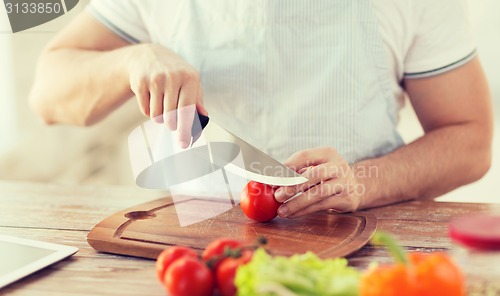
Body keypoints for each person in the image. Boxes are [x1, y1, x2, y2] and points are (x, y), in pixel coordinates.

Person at [30, 0, 493, 218]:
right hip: (192, 244)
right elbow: (48, 94)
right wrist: (133, 59)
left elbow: (470, 139)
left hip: (357, 238)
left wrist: (366, 182)